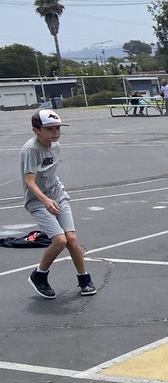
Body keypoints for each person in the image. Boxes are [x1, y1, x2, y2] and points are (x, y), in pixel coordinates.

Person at [21, 108, 96, 299]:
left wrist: (55, 195)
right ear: (36, 130)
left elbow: (50, 175)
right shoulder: (30, 150)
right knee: (60, 240)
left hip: (57, 195)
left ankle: (84, 278)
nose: (56, 133)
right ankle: (39, 275)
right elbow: (29, 181)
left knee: (71, 238)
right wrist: (45, 200)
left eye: (58, 128)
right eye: (50, 129)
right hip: (38, 201)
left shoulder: (56, 146)